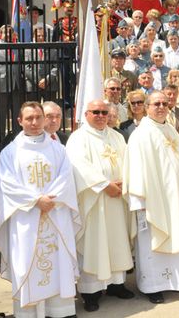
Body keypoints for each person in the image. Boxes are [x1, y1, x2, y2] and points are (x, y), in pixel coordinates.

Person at [0, 102, 80, 318]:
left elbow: (66, 177)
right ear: (19, 121)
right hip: (26, 219)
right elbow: (7, 184)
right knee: (28, 265)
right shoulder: (10, 152)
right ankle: (30, 314)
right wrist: (36, 200)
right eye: (29, 118)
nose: (34, 122)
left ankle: (60, 312)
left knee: (58, 263)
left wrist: (50, 200)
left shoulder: (59, 149)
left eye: (38, 117)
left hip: (56, 214)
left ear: (44, 119)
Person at [123, 91, 179, 304]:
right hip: (153, 202)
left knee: (177, 233)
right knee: (152, 242)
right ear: (147, 107)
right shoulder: (141, 134)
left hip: (175, 199)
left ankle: (176, 281)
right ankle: (152, 286)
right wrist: (140, 203)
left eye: (164, 103)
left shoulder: (170, 129)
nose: (161, 107)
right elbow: (136, 170)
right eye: (156, 103)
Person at [66, 100, 135, 312]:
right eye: (96, 112)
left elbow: (128, 162)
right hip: (94, 201)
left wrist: (124, 183)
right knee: (95, 244)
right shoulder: (78, 138)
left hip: (117, 199)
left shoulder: (116, 136)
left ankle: (116, 284)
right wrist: (105, 185)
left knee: (116, 241)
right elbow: (78, 166)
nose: (101, 115)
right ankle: (91, 292)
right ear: (86, 114)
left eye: (104, 112)